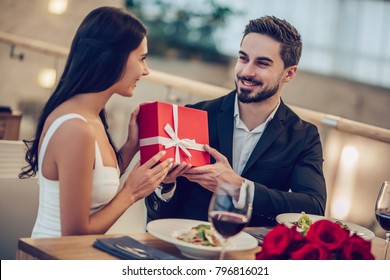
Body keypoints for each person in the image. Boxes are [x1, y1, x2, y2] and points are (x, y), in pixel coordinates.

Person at [146, 15, 327, 226]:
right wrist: (166, 184)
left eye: (262, 63)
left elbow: (314, 207)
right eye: (243, 58)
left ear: (289, 73)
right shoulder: (195, 115)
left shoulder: (303, 136)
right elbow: (159, 216)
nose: (246, 71)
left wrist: (241, 188)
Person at [19, 6, 173, 237]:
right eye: (141, 59)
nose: (146, 70)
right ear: (114, 57)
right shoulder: (75, 128)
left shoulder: (91, 116)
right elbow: (74, 234)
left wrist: (131, 146)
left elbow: (93, 184)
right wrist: (130, 192)